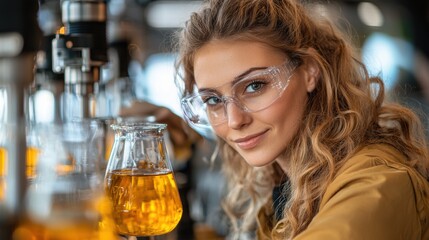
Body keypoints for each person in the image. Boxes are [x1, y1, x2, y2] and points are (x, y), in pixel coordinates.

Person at [174, 0, 429, 239]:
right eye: (213, 100)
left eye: (254, 86)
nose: (234, 121)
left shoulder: (377, 183)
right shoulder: (288, 183)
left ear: (309, 70)